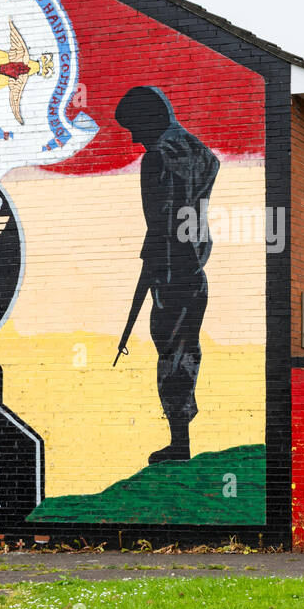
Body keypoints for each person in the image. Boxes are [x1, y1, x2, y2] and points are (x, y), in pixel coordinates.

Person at [114, 87, 219, 464]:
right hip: (195, 268)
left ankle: (179, 443)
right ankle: (182, 439)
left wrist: (155, 275)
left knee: (170, 357)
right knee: (187, 353)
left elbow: (160, 225)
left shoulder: (156, 158)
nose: (133, 137)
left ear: (151, 118)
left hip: (170, 272)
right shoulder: (203, 154)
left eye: (135, 127)